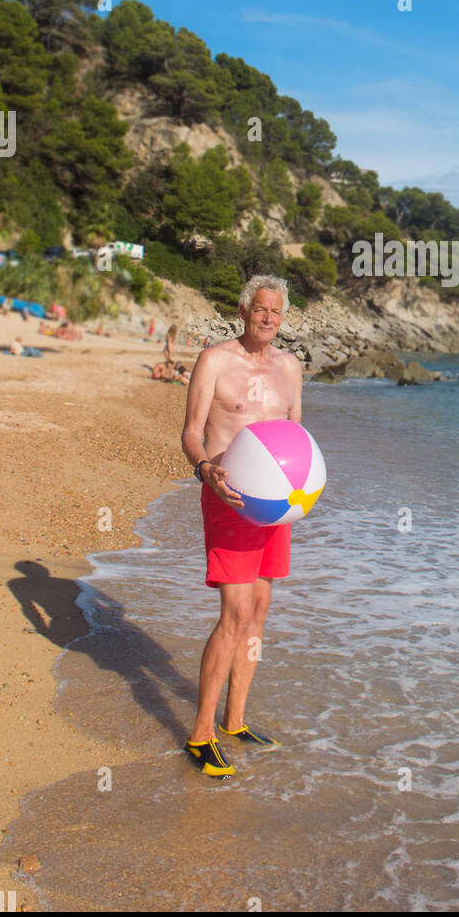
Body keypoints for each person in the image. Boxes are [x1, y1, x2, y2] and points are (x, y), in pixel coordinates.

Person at [180, 274, 303, 777]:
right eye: (260, 310)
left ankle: (235, 720)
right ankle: (200, 735)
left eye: (276, 312)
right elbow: (191, 432)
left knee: (258, 609)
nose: (268, 318)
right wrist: (206, 469)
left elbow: (297, 435)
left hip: (276, 505)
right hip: (228, 497)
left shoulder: (291, 368)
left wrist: (305, 490)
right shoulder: (215, 360)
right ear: (243, 309)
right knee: (234, 613)